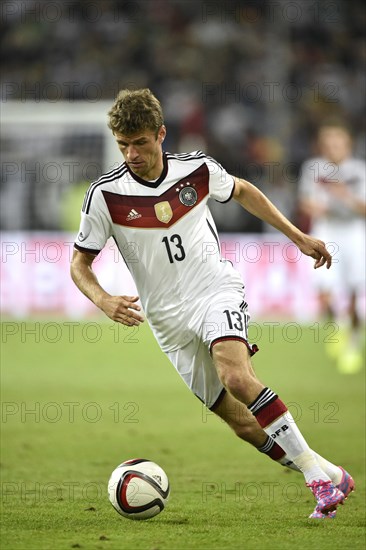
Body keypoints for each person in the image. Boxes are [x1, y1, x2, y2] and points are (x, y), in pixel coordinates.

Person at [70, 89, 354, 519]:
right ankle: (333, 474)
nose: (132, 153)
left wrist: (297, 236)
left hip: (214, 289)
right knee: (242, 423)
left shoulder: (197, 169)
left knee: (236, 374)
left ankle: (316, 479)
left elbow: (243, 191)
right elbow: (80, 263)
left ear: (161, 134)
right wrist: (103, 299)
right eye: (123, 145)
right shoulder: (105, 196)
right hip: (167, 321)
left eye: (141, 142)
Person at [298, 124, 366, 374]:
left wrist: (343, 196)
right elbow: (305, 201)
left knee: (354, 291)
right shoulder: (314, 168)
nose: (333, 148)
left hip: (354, 231)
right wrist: (315, 207)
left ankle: (353, 344)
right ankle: (338, 326)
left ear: (347, 145)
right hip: (326, 230)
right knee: (324, 288)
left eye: (338, 143)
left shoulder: (359, 171)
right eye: (328, 143)